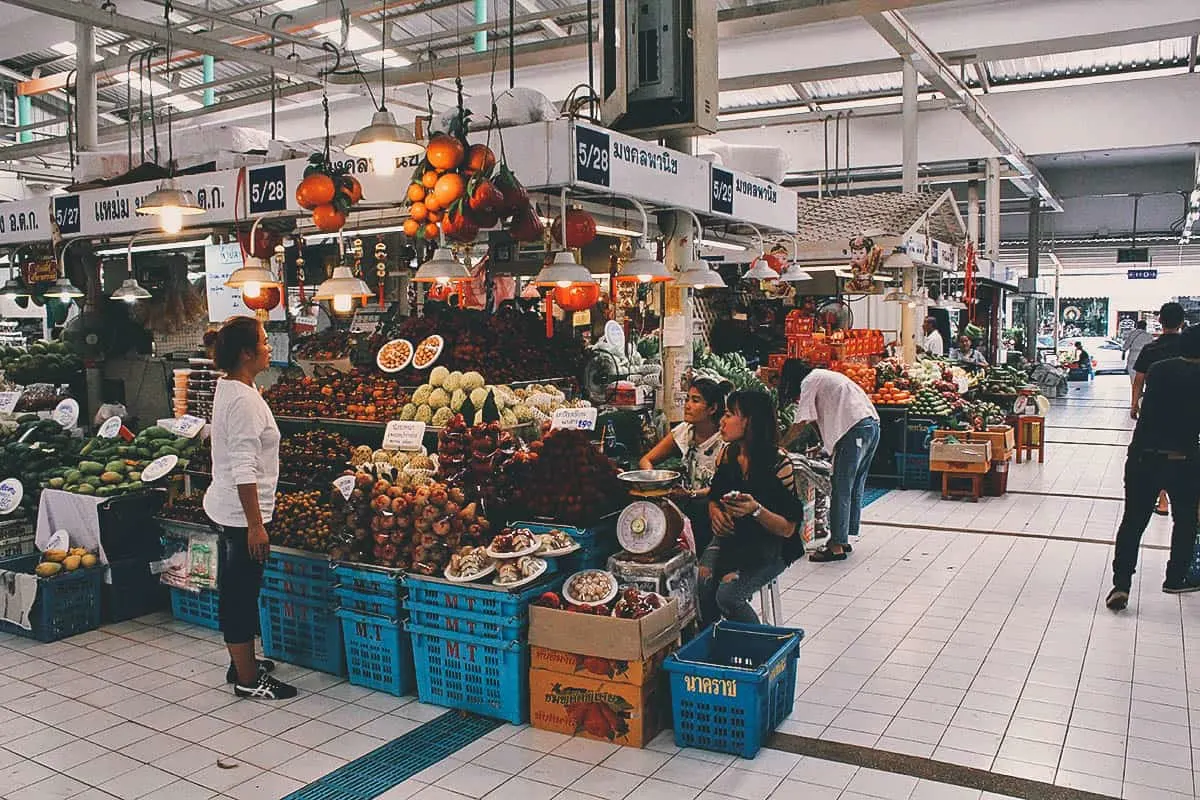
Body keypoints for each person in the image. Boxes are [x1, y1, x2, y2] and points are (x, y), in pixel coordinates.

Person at [203, 317, 296, 700]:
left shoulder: (234, 386)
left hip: (227, 506)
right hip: (241, 514)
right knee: (240, 595)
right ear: (246, 353)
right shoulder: (242, 400)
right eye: (263, 341)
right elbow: (244, 467)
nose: (269, 347)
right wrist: (256, 524)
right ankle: (247, 679)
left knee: (236, 589)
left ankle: (241, 661)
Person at [1105, 325, 1200, 610]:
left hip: (1143, 457)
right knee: (1185, 522)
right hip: (1184, 460)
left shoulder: (1159, 369)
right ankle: (1175, 578)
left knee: (1133, 523)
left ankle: (1121, 585)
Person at [698, 391, 804, 624]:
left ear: (749, 421)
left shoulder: (779, 464)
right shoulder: (727, 455)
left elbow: (788, 529)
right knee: (703, 584)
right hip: (733, 537)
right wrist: (715, 513)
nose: (721, 422)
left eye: (728, 415)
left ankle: (758, 650)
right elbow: (715, 495)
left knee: (728, 597)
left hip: (770, 546)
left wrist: (756, 510)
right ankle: (714, 645)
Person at [778, 360, 880, 562]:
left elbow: (800, 423)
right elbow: (815, 421)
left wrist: (780, 447)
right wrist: (824, 444)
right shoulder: (823, 377)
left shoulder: (810, 380)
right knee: (852, 486)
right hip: (870, 425)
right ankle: (842, 538)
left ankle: (836, 546)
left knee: (840, 487)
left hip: (855, 429)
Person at [639, 376, 732, 553]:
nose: (687, 405)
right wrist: (653, 482)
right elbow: (646, 460)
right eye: (687, 399)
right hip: (686, 504)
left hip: (712, 509)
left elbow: (723, 488)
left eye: (695, 400)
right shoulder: (685, 431)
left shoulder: (724, 440)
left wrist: (691, 494)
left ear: (712, 408)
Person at [1131, 302, 1186, 516]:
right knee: (1183, 452)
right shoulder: (1188, 347)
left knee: (1156, 452)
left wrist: (1134, 404)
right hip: (1185, 409)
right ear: (1182, 322)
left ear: (1160, 321)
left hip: (1155, 409)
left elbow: (1138, 380)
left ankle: (1162, 501)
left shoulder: (1151, 348)